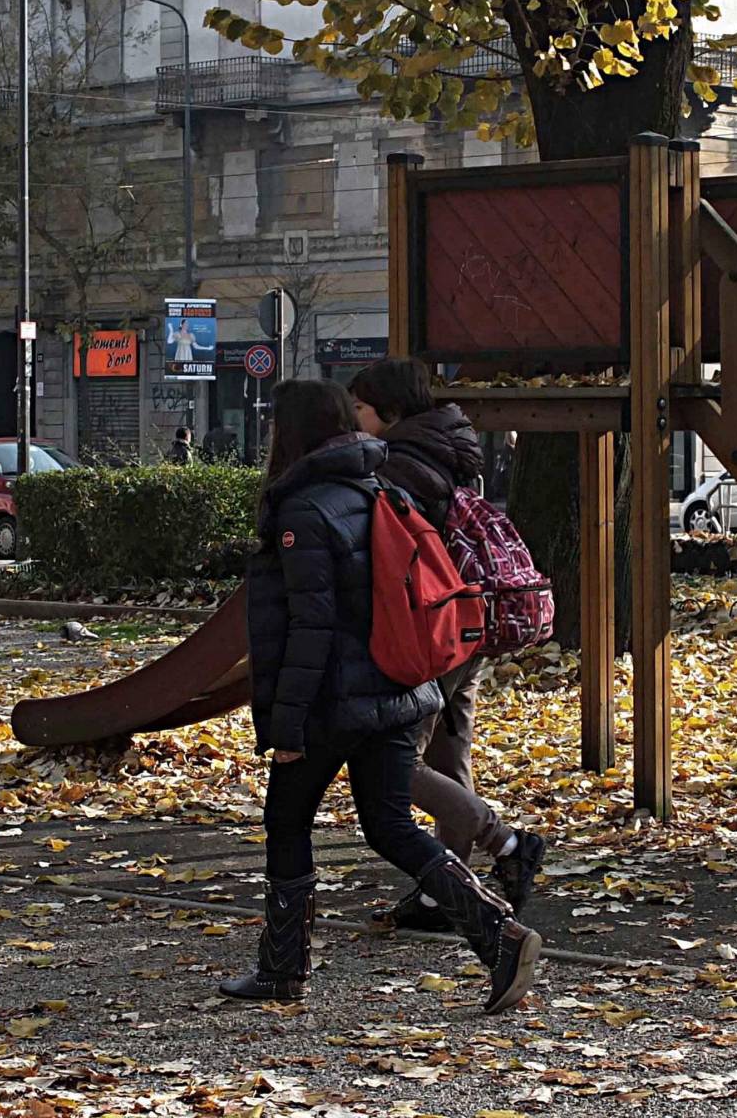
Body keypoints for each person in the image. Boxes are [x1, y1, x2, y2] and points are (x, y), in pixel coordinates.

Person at [220, 379, 541, 1014]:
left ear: (290, 432)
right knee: (390, 825)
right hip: (399, 689)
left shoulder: (303, 509)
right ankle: (498, 936)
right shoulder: (381, 488)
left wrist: (286, 728)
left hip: (331, 702)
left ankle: (283, 969)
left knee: (287, 821)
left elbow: (308, 629)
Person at [347, 359, 546, 932]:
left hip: (434, 629)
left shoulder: (405, 465)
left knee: (393, 761)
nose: (354, 420)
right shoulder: (448, 446)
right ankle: (445, 892)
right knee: (448, 752)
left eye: (360, 409)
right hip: (472, 616)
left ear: (390, 412)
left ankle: (507, 844)